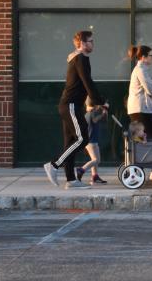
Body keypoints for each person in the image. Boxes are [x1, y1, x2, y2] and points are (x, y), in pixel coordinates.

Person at [44, 30, 108, 189]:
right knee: (82, 139)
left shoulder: (79, 58)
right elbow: (88, 83)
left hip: (71, 105)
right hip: (70, 105)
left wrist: (98, 101)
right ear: (82, 43)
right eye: (91, 41)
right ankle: (54, 165)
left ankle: (71, 180)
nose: (93, 44)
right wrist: (101, 102)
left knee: (70, 142)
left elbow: (87, 83)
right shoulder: (80, 59)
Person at [127, 44, 152, 182]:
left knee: (146, 138)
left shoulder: (141, 69)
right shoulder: (141, 70)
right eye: (151, 55)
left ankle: (150, 170)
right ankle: (147, 171)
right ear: (143, 57)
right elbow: (151, 90)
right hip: (140, 109)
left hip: (140, 109)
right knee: (151, 137)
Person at [76, 102, 107, 185]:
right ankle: (81, 170)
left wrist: (103, 111)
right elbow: (95, 120)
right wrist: (103, 113)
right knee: (96, 160)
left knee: (95, 160)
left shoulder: (87, 114)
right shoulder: (91, 113)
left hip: (91, 140)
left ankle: (95, 176)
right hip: (91, 141)